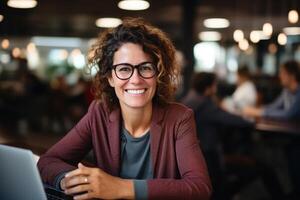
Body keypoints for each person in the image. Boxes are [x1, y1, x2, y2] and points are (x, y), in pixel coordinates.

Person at [37, 18, 211, 200]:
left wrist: (120, 187)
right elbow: (47, 162)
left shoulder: (179, 118)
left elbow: (199, 187)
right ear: (110, 78)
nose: (135, 79)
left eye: (145, 68)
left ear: (157, 75)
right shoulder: (99, 113)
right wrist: (68, 181)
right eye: (124, 69)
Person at [181, 72, 284, 200]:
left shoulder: (190, 99)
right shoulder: (205, 105)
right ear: (208, 88)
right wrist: (251, 121)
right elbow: (231, 119)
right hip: (211, 160)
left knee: (258, 168)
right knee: (263, 168)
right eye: (214, 86)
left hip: (195, 160)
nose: (216, 88)